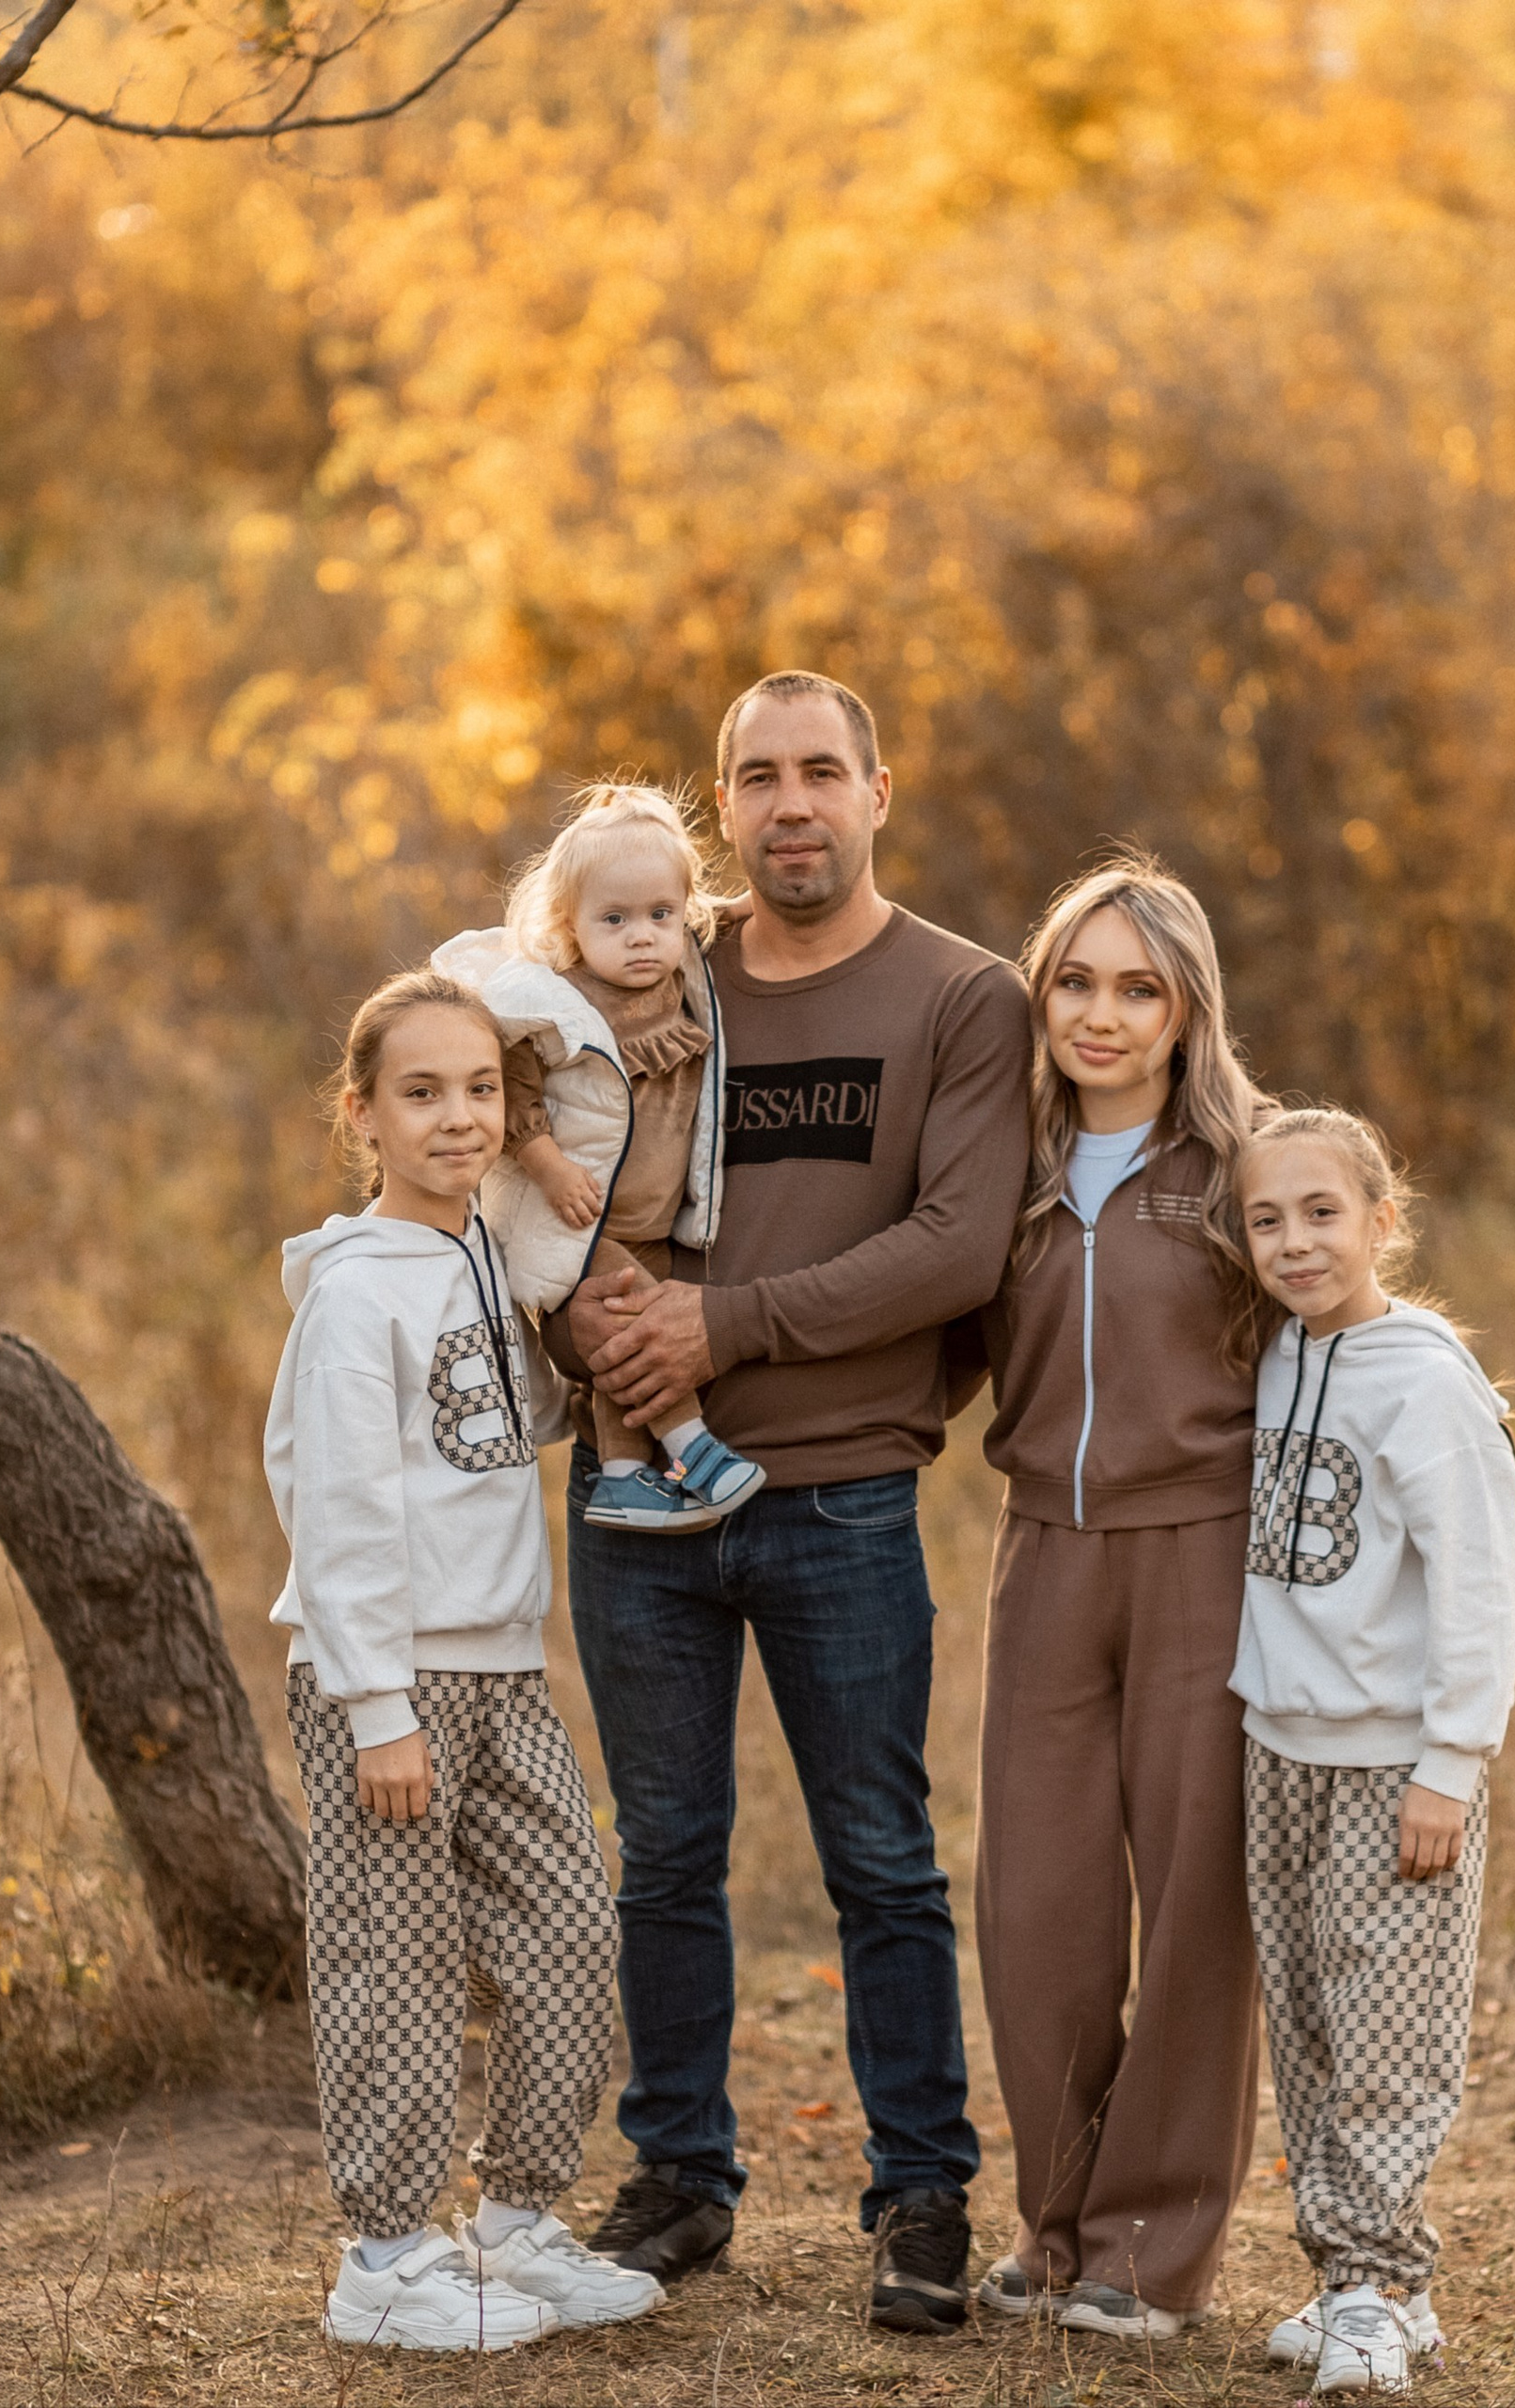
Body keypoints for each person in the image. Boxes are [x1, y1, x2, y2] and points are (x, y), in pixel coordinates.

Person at [553, 672, 1034, 2334]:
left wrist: (726, 1326)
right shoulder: (644, 971)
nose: (791, 807)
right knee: (663, 1857)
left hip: (838, 1497)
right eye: (755, 780)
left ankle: (921, 2196)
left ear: (880, 791)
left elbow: (961, 1246)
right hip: (634, 1489)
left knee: (883, 1862)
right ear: (724, 809)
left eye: (821, 772)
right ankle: (678, 2181)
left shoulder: (963, 999)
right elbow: (511, 1135)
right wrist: (599, 1321)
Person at [265, 967, 664, 2353]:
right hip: (386, 1680)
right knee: (400, 1962)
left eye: (482, 1089)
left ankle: (514, 2222)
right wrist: (379, 1706)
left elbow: (504, 1431)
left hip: (502, 1667)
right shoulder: (357, 1292)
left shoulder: (483, 1258)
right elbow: (347, 1512)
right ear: (363, 1114)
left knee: (570, 1930)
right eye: (422, 1093)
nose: (458, 1119)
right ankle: (384, 2258)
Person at [969, 860, 1274, 2341]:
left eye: (1137, 988)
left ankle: (1148, 2253)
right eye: (1075, 982)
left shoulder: (1246, 1170)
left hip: (1205, 1555)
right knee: (1038, 1908)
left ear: (1185, 1010)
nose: (1101, 1015)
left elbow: (1346, 1324)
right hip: (1043, 1555)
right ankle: (1057, 2223)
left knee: (1201, 1903)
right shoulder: (996, 1164)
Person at [1228, 1106, 1515, 2398]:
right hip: (1279, 1748)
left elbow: (1478, 1584)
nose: (1294, 1243)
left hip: (1393, 1763)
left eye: (1323, 1214)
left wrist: (1450, 1762)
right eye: (1266, 1219)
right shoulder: (1282, 1357)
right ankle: (1348, 2275)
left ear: (1382, 1223)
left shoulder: (1427, 1377)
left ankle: (1383, 2285)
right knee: (1306, 2019)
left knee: (1390, 2022)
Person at [430, 782, 762, 1532]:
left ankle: (618, 1476)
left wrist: (742, 907)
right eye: (614, 920)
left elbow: (721, 911)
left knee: (617, 1342)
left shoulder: (681, 976)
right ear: (570, 926)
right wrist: (545, 1163)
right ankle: (694, 1448)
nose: (641, 936)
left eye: (659, 916)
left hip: (651, 1221)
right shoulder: (557, 1001)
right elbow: (507, 1081)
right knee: (639, 1325)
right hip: (579, 1215)